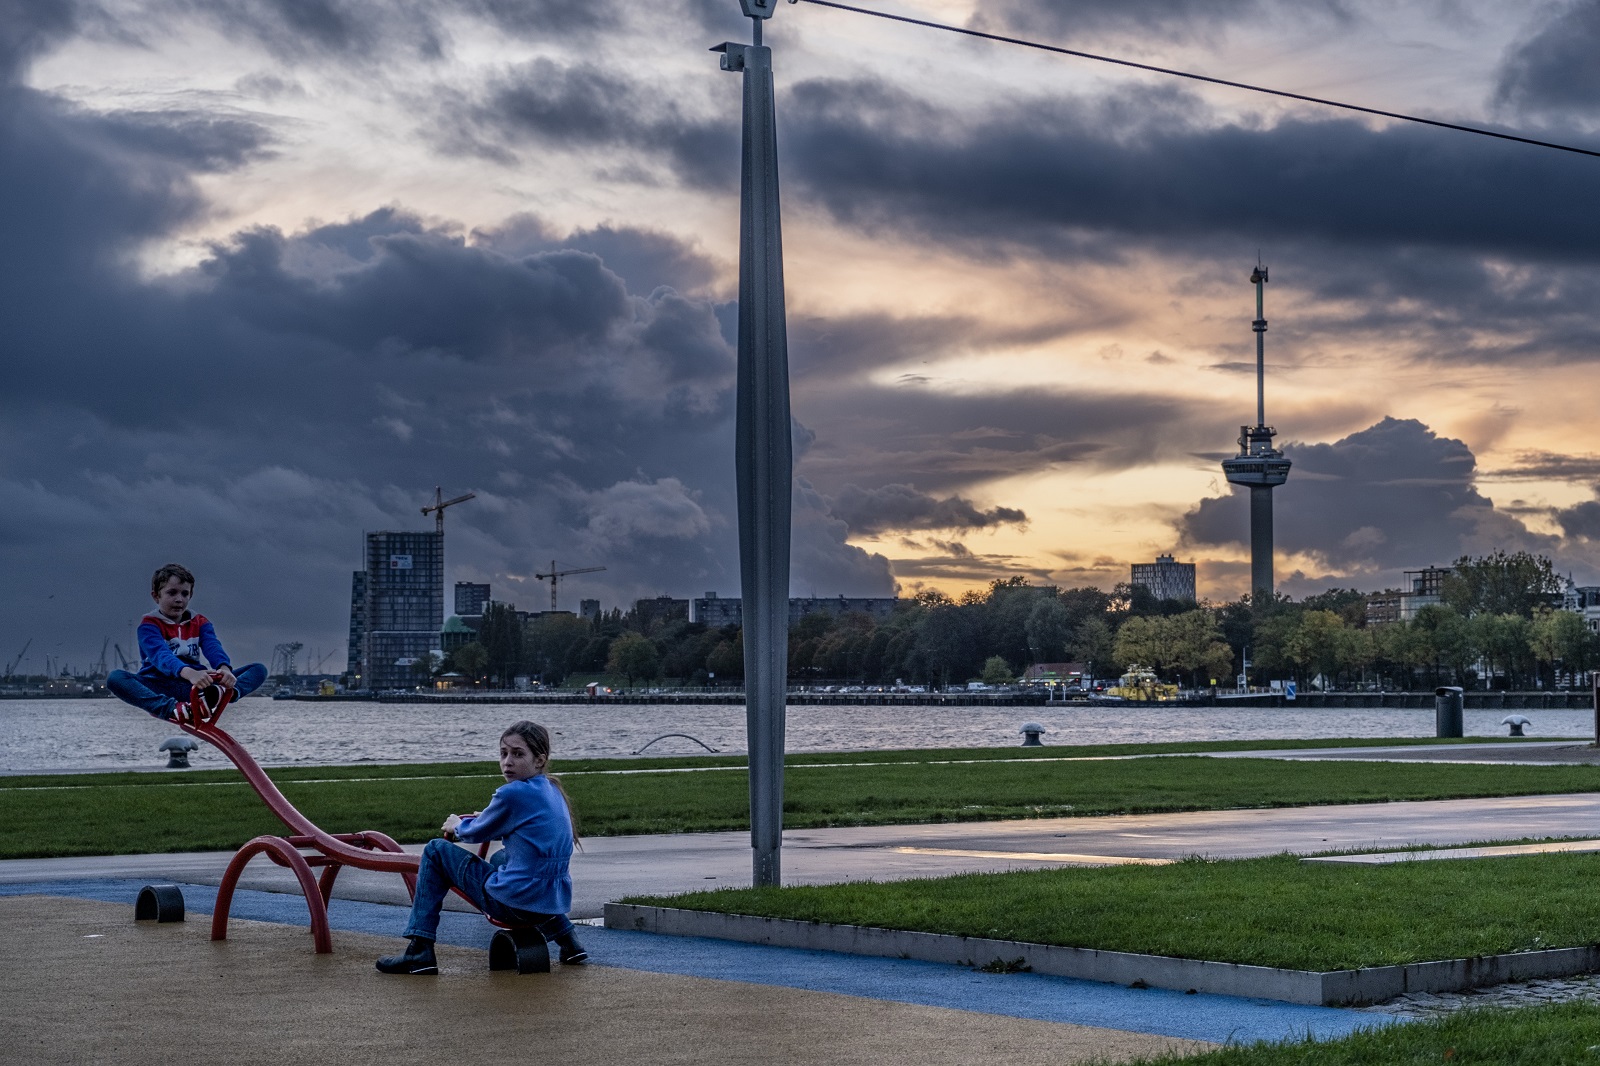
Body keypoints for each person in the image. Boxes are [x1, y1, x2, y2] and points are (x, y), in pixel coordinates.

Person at [376, 720, 587, 975]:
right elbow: (507, 822)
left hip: (513, 906)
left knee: (435, 851)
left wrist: (457, 825)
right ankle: (569, 940)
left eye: (518, 754)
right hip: (550, 902)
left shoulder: (513, 794)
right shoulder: (552, 789)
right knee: (501, 857)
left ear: (539, 760)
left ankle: (419, 950)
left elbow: (473, 833)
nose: (507, 762)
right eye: (503, 754)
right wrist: (486, 817)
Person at [106, 563, 266, 722]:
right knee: (115, 678)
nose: (179, 600)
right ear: (156, 596)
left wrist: (224, 669)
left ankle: (221, 694)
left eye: (185, 594)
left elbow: (213, 647)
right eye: (172, 593)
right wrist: (189, 673)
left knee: (258, 669)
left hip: (197, 684)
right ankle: (171, 709)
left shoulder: (200, 622)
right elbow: (161, 655)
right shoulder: (149, 626)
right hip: (160, 684)